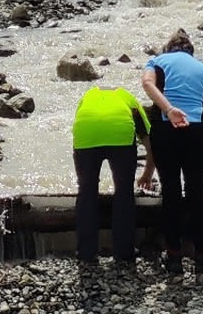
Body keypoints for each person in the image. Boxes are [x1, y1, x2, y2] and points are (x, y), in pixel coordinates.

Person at [141, 29, 203, 280]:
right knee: (197, 194)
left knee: (171, 193)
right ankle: (202, 259)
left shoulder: (157, 61)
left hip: (166, 129)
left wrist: (169, 109)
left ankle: (174, 257)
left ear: (168, 47)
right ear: (190, 51)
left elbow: (147, 84)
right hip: (196, 132)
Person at [73, 82, 155, 271]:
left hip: (85, 134)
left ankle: (86, 253)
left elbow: (77, 129)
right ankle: (124, 252)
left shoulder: (87, 97)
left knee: (86, 191)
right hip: (120, 136)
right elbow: (151, 145)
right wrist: (147, 175)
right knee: (124, 191)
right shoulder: (130, 100)